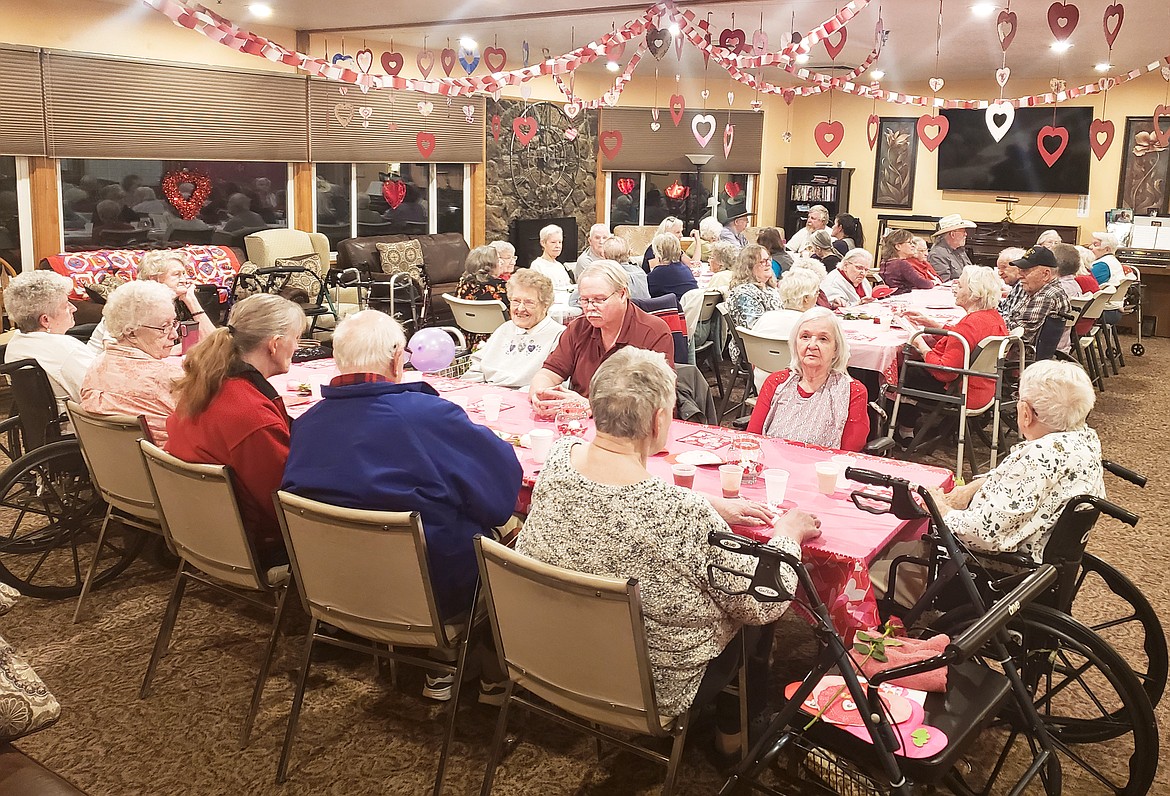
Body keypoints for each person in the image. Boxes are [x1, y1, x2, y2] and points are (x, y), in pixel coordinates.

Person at [518, 347, 821, 755]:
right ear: (660, 419)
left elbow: (621, 500)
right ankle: (734, 740)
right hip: (652, 688)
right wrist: (788, 534)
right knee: (752, 617)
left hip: (546, 654)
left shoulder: (556, 461)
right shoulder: (683, 514)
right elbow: (763, 604)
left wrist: (711, 505)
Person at [281, 310, 522, 700]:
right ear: (398, 358)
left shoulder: (306, 423)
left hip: (334, 586)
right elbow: (499, 494)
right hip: (439, 593)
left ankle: (441, 663)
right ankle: (492, 674)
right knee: (515, 526)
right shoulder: (427, 416)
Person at [873, 360, 1104, 606]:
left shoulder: (1037, 459)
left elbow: (984, 534)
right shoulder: (1082, 439)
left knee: (874, 571)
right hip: (1038, 562)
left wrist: (941, 509)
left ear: (1025, 412)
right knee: (899, 548)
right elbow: (1024, 486)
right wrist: (974, 487)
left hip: (989, 572)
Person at [166, 294, 306, 568]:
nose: (298, 346)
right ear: (275, 345)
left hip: (200, 529)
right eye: (297, 338)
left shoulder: (205, 385)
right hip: (255, 544)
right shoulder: (250, 414)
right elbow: (284, 501)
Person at [529, 261, 672, 409]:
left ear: (622, 294)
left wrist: (590, 407)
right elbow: (548, 373)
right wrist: (541, 395)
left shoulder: (653, 332)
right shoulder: (578, 328)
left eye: (599, 300)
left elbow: (656, 401)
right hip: (580, 422)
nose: (590, 308)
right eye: (584, 300)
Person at [892, 267, 1009, 444]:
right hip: (985, 387)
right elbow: (963, 341)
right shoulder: (993, 318)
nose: (955, 288)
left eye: (960, 285)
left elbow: (945, 371)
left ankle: (900, 431)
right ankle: (907, 429)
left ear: (974, 294)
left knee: (898, 371)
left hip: (961, 391)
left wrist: (921, 346)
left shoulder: (970, 324)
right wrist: (932, 324)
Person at [746, 308, 869, 451]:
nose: (812, 345)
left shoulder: (852, 392)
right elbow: (753, 440)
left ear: (836, 348)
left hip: (824, 470)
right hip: (773, 469)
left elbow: (850, 455)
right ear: (795, 343)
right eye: (805, 337)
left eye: (823, 339)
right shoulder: (776, 383)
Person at [81, 281, 184, 444]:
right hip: (167, 466)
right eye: (164, 327)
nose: (174, 335)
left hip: (112, 464)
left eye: (174, 324)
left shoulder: (96, 365)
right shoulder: (168, 377)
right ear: (132, 333)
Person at [3, 271, 97, 408]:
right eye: (66, 305)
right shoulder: (66, 349)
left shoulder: (14, 345)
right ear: (45, 320)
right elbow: (101, 396)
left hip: (41, 427)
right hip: (79, 427)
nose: (74, 308)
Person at [88, 250, 216, 351]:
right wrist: (177, 349)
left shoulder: (181, 302)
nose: (185, 279)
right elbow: (113, 349)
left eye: (184, 274)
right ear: (154, 278)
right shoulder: (132, 303)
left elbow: (216, 342)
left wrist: (192, 302)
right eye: (177, 274)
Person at [462, 269, 564, 388]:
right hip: (488, 395)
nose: (520, 309)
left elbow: (556, 384)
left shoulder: (559, 336)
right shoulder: (505, 328)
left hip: (526, 398)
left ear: (545, 305)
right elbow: (477, 367)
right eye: (515, 301)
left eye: (529, 302)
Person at [749, 267, 822, 390]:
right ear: (806, 299)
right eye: (816, 293)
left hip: (763, 387)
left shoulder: (765, 318)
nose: (818, 296)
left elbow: (753, 363)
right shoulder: (811, 325)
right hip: (800, 390)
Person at [1007, 246, 1073, 359]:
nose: (1019, 275)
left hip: (1023, 357)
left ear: (1046, 274)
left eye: (1025, 271)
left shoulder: (1047, 296)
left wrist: (995, 323)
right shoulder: (1040, 290)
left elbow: (1019, 332)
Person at [726, 244, 782, 362]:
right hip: (754, 351)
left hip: (775, 343)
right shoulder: (743, 294)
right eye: (762, 261)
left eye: (768, 260)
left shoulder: (769, 288)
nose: (768, 264)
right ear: (749, 267)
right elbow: (755, 329)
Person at [879, 229, 937, 294]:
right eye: (910, 243)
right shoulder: (902, 264)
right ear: (898, 246)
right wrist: (933, 282)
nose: (913, 245)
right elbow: (921, 283)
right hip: (902, 297)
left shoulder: (884, 262)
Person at [646, 233, 698, 304]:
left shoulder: (655, 275)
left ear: (657, 253)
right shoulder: (686, 270)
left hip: (673, 312)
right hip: (692, 310)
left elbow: (645, 296)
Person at [529, 224, 574, 300]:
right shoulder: (537, 266)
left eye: (560, 242)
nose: (558, 246)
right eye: (553, 242)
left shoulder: (560, 266)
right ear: (543, 243)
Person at [928, 214, 976, 282]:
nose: (966, 234)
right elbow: (943, 284)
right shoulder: (937, 255)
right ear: (952, 234)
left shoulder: (960, 250)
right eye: (963, 232)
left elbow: (972, 272)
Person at [995, 246, 1027, 323]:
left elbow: (1008, 320)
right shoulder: (1016, 286)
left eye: (1004, 267)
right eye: (998, 268)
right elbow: (1004, 309)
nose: (1000, 273)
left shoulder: (1022, 285)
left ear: (1019, 266)